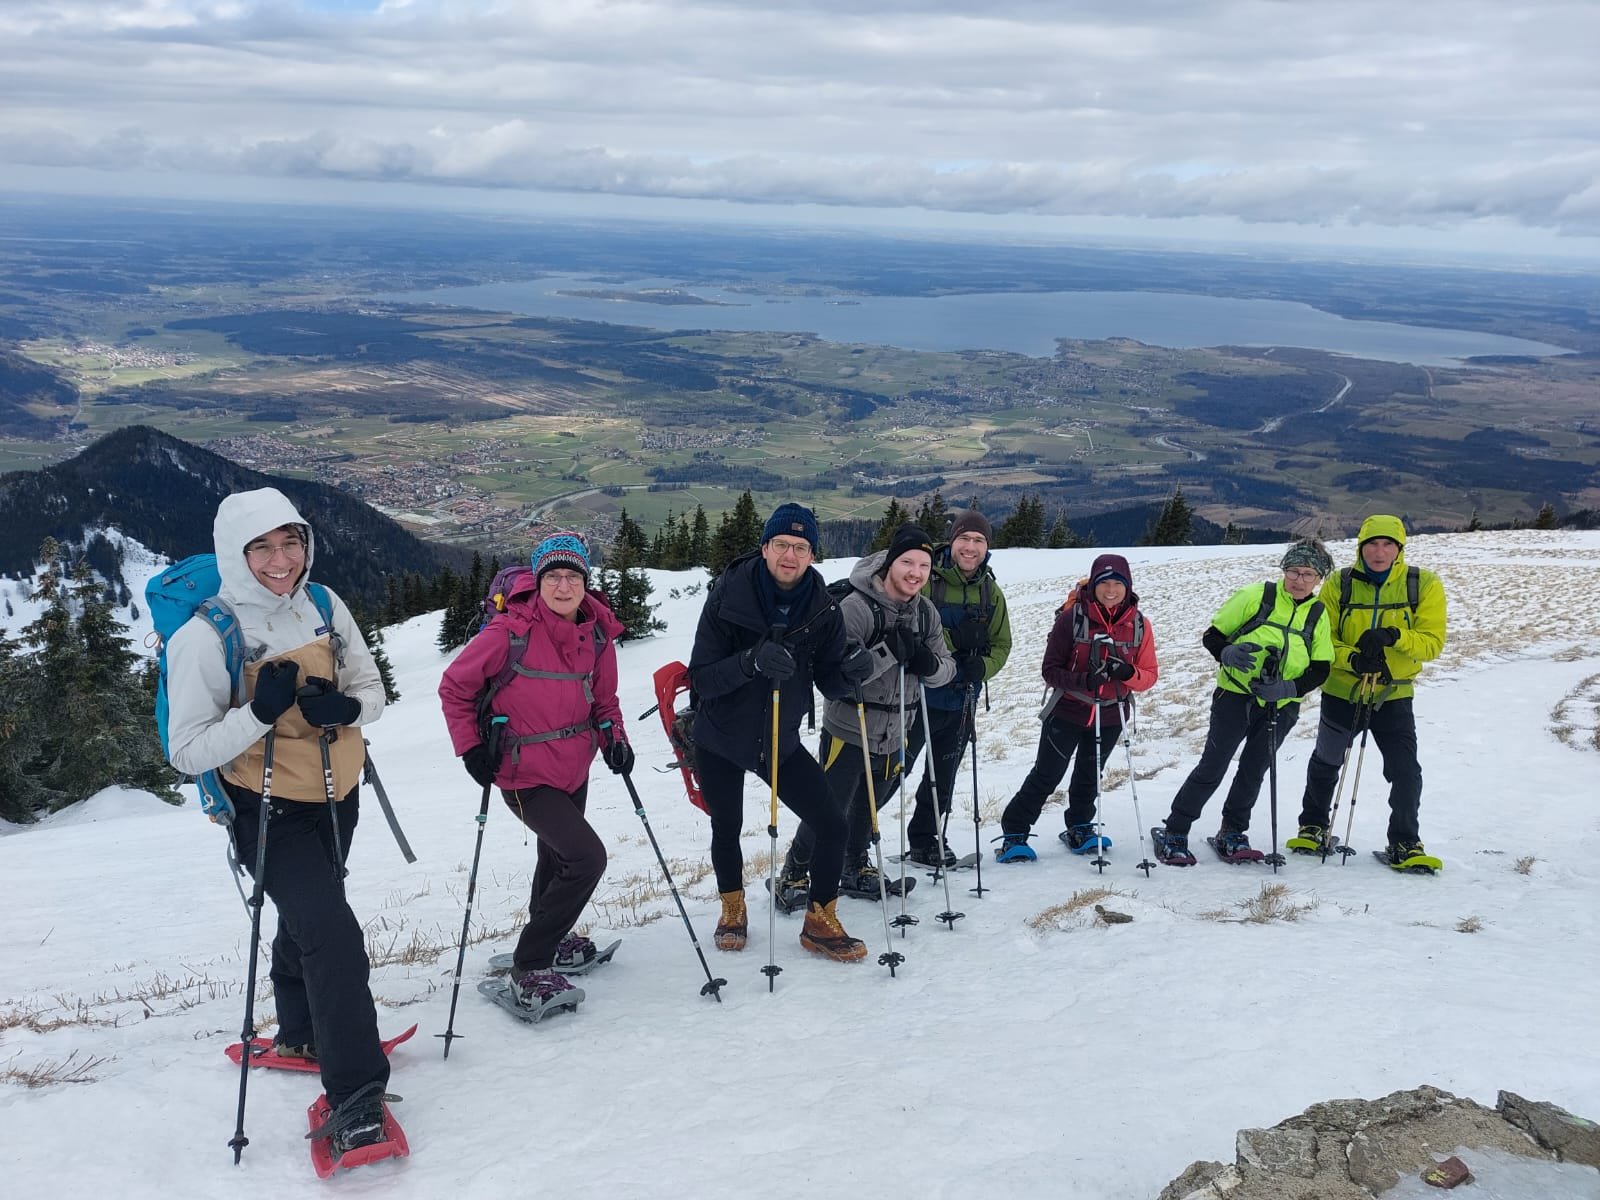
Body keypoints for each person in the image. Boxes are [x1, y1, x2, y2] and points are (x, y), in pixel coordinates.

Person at [164, 487, 392, 1156]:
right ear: (234, 554)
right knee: (334, 935)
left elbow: (372, 689)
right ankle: (356, 1095)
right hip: (266, 810)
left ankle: (301, 1029)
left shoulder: (322, 603)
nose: (280, 559)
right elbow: (186, 752)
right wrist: (258, 714)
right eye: (261, 547)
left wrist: (347, 711)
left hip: (338, 793)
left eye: (291, 542)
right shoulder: (206, 636)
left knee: (311, 916)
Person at [438, 532, 629, 1009]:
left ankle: (553, 938)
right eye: (553, 577)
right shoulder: (509, 632)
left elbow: (604, 701)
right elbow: (454, 688)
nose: (563, 586)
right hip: (522, 771)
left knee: (559, 857)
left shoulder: (596, 634)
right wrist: (470, 747)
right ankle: (531, 964)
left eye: (573, 577)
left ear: (586, 582)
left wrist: (616, 741)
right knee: (587, 858)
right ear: (538, 581)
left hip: (575, 766)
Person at [686, 503, 875, 962]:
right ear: (765, 547)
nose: (790, 555)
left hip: (778, 740)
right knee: (726, 825)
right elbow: (702, 679)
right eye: (782, 544)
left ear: (812, 555)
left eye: (801, 547)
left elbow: (829, 679)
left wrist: (851, 673)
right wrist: (750, 662)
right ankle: (732, 909)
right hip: (720, 736)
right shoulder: (728, 596)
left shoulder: (822, 608)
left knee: (832, 825)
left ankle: (820, 920)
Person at [783, 524, 955, 898]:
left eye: (924, 566)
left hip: (897, 729)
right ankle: (794, 871)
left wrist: (928, 665)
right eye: (907, 562)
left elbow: (947, 669)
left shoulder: (926, 613)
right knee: (828, 806)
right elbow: (838, 676)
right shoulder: (856, 608)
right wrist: (888, 652)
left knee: (869, 806)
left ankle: (854, 864)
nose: (915, 573)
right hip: (849, 726)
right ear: (890, 563)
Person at [1150, 539, 1335, 865]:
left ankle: (1233, 831)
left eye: (1308, 574)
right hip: (1234, 697)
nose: (1299, 580)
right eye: (1294, 571)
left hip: (1281, 705)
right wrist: (1226, 653)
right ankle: (1175, 829)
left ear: (1319, 578)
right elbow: (1213, 635)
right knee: (1214, 765)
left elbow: (1321, 667)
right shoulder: (1257, 596)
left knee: (1254, 769)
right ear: (1284, 570)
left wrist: (1288, 689)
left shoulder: (1318, 614)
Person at [1291, 516, 1447, 867]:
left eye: (1388, 544)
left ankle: (1405, 841)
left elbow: (1432, 643)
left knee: (1405, 770)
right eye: (1372, 544)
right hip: (1342, 691)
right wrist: (1354, 660)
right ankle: (1312, 826)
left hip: (1393, 693)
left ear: (1400, 548)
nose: (1380, 552)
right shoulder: (1340, 583)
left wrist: (1394, 636)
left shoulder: (1422, 584)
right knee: (1327, 762)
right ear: (1360, 547)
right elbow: (1321, 639)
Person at [995, 553, 1158, 862]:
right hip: (1068, 711)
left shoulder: (1139, 624)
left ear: (1128, 586)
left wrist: (1127, 673)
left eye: (1118, 584)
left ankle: (1080, 826)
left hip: (1111, 714)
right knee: (1047, 774)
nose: (1111, 590)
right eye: (1104, 583)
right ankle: (1014, 831)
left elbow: (1149, 675)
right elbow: (1050, 670)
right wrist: (1085, 680)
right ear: (1093, 584)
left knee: (1090, 775)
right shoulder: (1071, 619)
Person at [902, 510, 1012, 867]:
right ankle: (851, 847)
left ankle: (925, 840)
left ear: (987, 547)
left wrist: (983, 668)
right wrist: (953, 645)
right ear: (951, 541)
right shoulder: (926, 578)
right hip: (916, 696)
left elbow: (1002, 644)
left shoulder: (990, 592)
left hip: (962, 699)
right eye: (964, 538)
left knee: (943, 777)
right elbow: (911, 623)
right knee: (889, 774)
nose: (970, 547)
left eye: (979, 540)